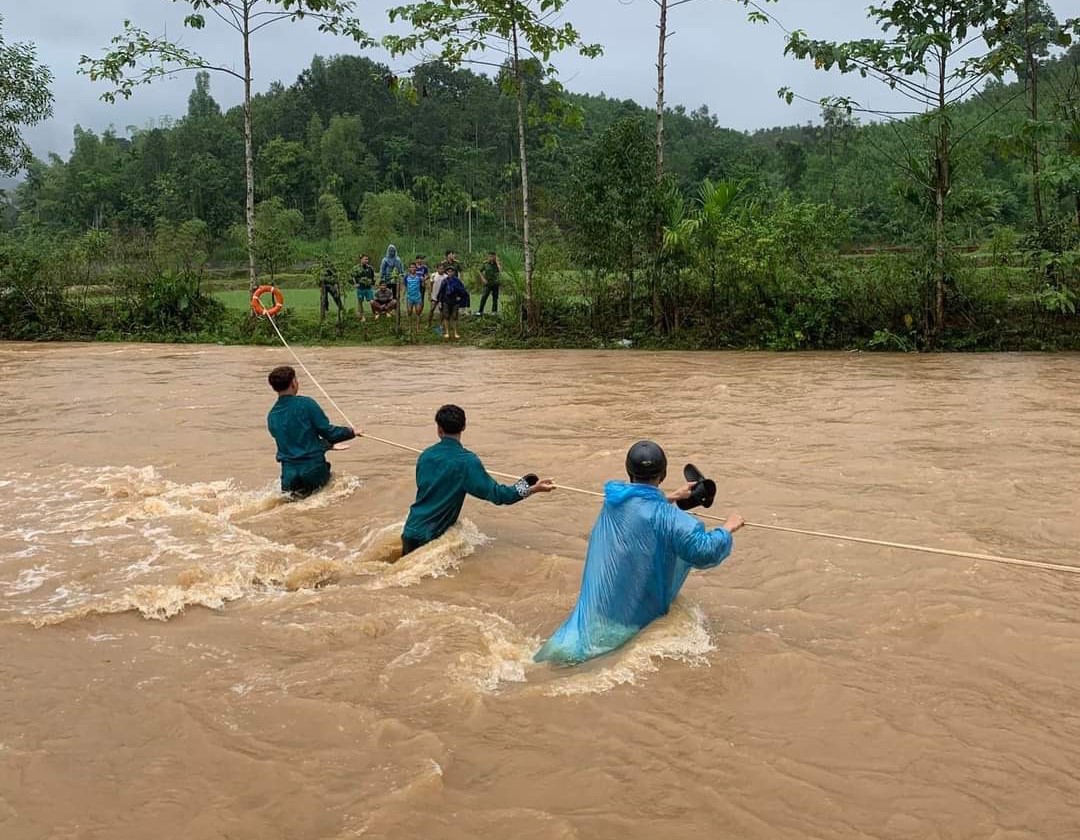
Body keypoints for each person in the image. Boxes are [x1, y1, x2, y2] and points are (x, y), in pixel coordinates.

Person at [534, 440, 745, 665]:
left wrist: (672, 497)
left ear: (628, 471)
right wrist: (728, 528)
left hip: (578, 630)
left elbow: (641, 508)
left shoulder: (614, 499)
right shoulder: (669, 519)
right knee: (586, 663)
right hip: (614, 632)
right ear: (663, 474)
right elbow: (704, 551)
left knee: (547, 665)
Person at [401, 404, 555, 556]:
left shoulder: (425, 455)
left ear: (439, 429)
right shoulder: (467, 462)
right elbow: (501, 496)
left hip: (410, 530)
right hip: (430, 537)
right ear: (464, 427)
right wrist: (533, 488)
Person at [266, 365, 357, 498]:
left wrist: (328, 446)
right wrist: (351, 432)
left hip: (288, 475)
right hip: (313, 469)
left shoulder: (272, 415)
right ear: (293, 383)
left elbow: (293, 441)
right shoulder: (306, 403)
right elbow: (328, 431)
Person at [436, 265, 468, 341]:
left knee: (454, 317)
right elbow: (441, 292)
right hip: (446, 301)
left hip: (455, 301)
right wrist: (440, 301)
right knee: (446, 316)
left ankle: (455, 332)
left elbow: (463, 291)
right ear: (447, 272)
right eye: (448, 271)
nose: (450, 273)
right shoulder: (444, 281)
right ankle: (447, 332)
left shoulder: (457, 281)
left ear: (454, 272)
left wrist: (460, 297)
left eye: (451, 271)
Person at [351, 253, 376, 321]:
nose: (366, 261)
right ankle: (362, 316)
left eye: (367, 259)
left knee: (372, 301)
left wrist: (373, 283)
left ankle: (375, 314)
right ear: (361, 259)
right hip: (360, 288)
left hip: (368, 288)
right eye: (365, 259)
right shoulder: (356, 268)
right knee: (360, 302)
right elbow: (350, 277)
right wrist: (354, 284)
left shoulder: (370, 268)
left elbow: (373, 277)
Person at [477, 251, 502, 315]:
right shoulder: (485, 264)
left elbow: (500, 270)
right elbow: (479, 271)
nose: (491, 258)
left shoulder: (497, 264)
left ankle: (494, 311)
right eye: (490, 256)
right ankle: (480, 311)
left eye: (492, 256)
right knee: (484, 296)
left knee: (495, 298)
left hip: (495, 283)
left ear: (495, 257)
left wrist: (497, 262)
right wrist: (483, 279)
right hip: (487, 283)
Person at [404, 261, 424, 335]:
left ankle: (418, 328)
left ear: (416, 268)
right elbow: (405, 287)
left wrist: (423, 281)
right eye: (411, 267)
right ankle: (410, 328)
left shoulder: (419, 276)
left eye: (414, 267)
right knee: (409, 312)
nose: (412, 268)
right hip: (409, 297)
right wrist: (403, 297)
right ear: (409, 268)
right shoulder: (406, 276)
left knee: (418, 313)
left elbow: (423, 286)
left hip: (417, 297)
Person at [427, 261, 448, 328]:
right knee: (431, 309)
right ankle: (429, 323)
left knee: (441, 311)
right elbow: (430, 285)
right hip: (434, 296)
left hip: (442, 297)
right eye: (439, 268)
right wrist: (429, 295)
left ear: (444, 269)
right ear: (437, 269)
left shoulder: (446, 277)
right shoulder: (433, 275)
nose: (441, 270)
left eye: (442, 268)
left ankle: (440, 325)